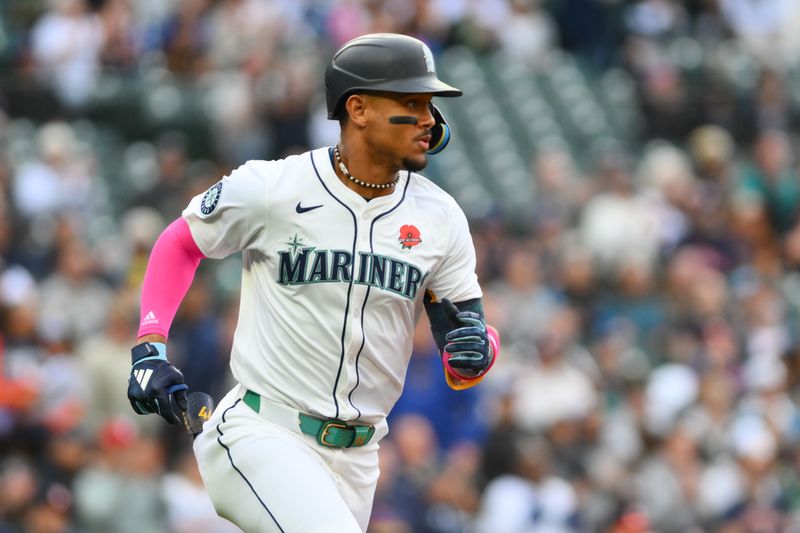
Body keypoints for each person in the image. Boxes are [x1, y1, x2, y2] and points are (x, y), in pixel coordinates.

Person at [125, 33, 500, 533]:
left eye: (429, 104)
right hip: (264, 431)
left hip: (360, 459)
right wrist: (149, 346)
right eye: (412, 103)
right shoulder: (274, 187)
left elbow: (464, 356)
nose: (430, 119)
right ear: (359, 108)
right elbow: (181, 242)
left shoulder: (441, 216)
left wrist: (482, 348)